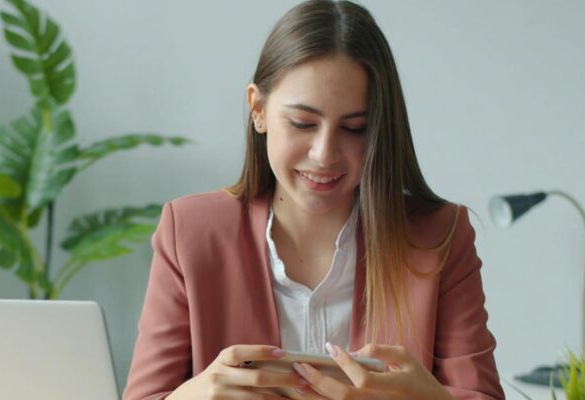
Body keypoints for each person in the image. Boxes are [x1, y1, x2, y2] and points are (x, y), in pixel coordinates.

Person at [124, 1, 503, 399]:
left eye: (354, 128)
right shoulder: (189, 232)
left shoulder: (439, 236)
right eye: (303, 123)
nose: (325, 154)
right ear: (258, 110)